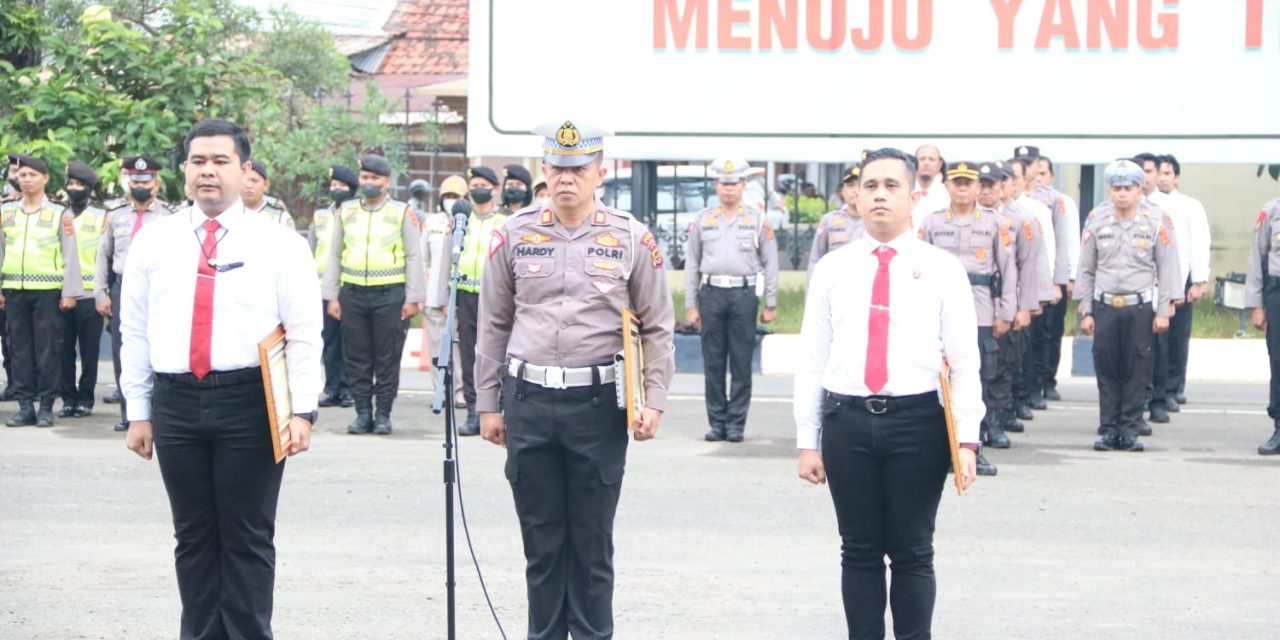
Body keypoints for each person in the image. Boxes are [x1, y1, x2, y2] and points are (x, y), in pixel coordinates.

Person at [120, 118, 321, 639]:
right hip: (176, 400)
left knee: (248, 537)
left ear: (244, 169)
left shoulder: (280, 243)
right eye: (198, 161)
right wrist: (138, 411)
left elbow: (303, 332)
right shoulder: (154, 242)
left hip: (251, 402)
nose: (208, 171)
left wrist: (303, 411)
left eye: (220, 161)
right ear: (184, 170)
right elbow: (134, 331)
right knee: (192, 537)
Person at [475, 119, 675, 640]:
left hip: (597, 404)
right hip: (529, 399)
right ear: (545, 170)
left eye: (578, 169)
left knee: (590, 545)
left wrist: (653, 399)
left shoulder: (631, 236)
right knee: (542, 545)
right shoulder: (513, 233)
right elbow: (493, 322)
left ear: (599, 174)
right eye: (558, 168)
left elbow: (657, 323)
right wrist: (487, 403)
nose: (567, 179)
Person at [795, 148, 980, 639]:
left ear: (914, 196)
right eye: (869, 185)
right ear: (855, 195)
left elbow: (964, 361)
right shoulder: (833, 268)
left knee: (913, 549)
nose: (878, 195)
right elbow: (813, 357)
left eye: (891, 186)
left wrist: (966, 440)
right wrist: (807, 439)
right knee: (857, 549)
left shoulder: (942, 268)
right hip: (846, 421)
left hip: (919, 422)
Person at [919, 161, 1018, 477]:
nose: (962, 187)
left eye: (968, 182)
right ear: (946, 186)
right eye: (956, 182)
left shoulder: (995, 223)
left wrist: (1006, 311)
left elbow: (1008, 269)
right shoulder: (932, 223)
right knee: (936, 380)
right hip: (936, 312)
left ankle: (976, 447)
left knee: (979, 378)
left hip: (981, 309)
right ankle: (941, 449)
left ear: (978, 188)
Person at [1075, 160, 1181, 452]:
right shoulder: (1097, 218)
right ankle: (1109, 429)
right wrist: (1086, 309)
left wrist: (1163, 311)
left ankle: (1130, 430)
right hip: (1106, 304)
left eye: (1128, 188)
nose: (1121, 194)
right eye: (1116, 188)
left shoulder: (1157, 219)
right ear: (1109, 190)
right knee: (1107, 369)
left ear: (1139, 190)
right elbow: (1086, 267)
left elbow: (1167, 266)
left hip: (1140, 307)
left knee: (1137, 370)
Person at [322, 155, 425, 435]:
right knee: (356, 357)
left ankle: (383, 415)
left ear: (386, 182)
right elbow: (334, 254)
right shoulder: (346, 211)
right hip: (352, 293)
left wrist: (414, 297)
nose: (368, 183)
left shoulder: (401, 212)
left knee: (387, 357)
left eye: (374, 179)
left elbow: (415, 256)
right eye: (364, 178)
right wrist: (331, 295)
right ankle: (362, 413)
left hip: (390, 294)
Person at [684, 157, 779, 442]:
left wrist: (770, 302)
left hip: (743, 294)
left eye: (734, 183)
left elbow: (770, 261)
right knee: (713, 362)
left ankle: (736, 424)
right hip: (711, 293)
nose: (728, 189)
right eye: (724, 183)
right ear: (716, 185)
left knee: (740, 362)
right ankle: (717, 422)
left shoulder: (757, 219)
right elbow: (691, 263)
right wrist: (691, 305)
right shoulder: (702, 219)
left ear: (743, 185)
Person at [0, 155, 83, 428]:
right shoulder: (7, 212)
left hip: (48, 291)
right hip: (14, 290)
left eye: (32, 174)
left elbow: (70, 254)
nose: (26, 179)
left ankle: (46, 406)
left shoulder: (60, 213)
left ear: (45, 178)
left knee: (48, 349)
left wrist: (70, 292)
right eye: (22, 174)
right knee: (18, 349)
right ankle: (25, 407)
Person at [96, 155, 174, 431]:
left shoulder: (168, 215)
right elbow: (102, 256)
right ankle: (129, 413)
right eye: (135, 180)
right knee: (124, 348)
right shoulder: (115, 214)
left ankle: (155, 412)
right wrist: (101, 293)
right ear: (127, 181)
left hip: (158, 288)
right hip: (122, 286)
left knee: (157, 346)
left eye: (146, 180)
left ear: (156, 182)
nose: (141, 184)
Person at [982, 161, 1044, 443]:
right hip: (978, 305)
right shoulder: (967, 219)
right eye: (980, 185)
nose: (985, 191)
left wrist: (1025, 307)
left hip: (1007, 303)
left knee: (1004, 366)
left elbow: (1028, 266)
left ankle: (996, 421)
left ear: (1005, 186)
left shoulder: (1022, 220)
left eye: (992, 185)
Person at [452, 165, 509, 436]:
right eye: (474, 184)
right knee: (468, 354)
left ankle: (495, 407)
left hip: (496, 298)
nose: (478, 189)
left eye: (484, 184)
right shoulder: (462, 219)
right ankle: (473, 410)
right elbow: (447, 260)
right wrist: (445, 297)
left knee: (495, 353)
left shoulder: (506, 221)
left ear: (495, 189)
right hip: (465, 295)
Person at [1155, 154, 1210, 407]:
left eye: (1168, 173)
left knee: (1178, 336)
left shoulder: (1190, 205)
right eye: (1159, 173)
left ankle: (1175, 387)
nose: (1162, 178)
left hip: (1183, 277)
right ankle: (1157, 388)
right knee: (1157, 337)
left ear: (1176, 177)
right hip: (1154, 280)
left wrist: (1199, 280)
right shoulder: (1146, 203)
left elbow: (1199, 243)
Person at [58, 160, 107, 419]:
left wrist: (103, 291)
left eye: (79, 184)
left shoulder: (101, 216)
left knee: (89, 352)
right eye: (70, 184)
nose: (73, 188)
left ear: (89, 188)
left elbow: (105, 256)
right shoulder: (59, 214)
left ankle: (85, 398)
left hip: (90, 295)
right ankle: (68, 398)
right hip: (64, 293)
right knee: (63, 349)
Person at [309, 165, 358, 409]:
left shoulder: (358, 214)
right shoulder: (319, 216)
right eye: (334, 185)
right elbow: (310, 250)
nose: (336, 189)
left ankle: (348, 389)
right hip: (322, 289)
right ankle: (331, 388)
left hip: (349, 286)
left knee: (349, 341)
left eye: (342, 185)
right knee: (328, 341)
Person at [420, 175, 465, 398]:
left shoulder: (470, 223)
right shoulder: (432, 223)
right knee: (437, 348)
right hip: (434, 298)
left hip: (461, 298)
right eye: (447, 196)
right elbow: (422, 260)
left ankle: (459, 391)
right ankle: (440, 391)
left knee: (459, 349)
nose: (451, 200)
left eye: (456, 196)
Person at [1247, 195, 1280, 455]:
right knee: (1279, 361)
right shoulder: (1271, 210)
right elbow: (1257, 260)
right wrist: (1257, 305)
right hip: (1277, 291)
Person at [808, 165, 864, 279]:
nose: (855, 190)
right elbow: (815, 259)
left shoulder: (876, 222)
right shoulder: (829, 221)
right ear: (842, 192)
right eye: (850, 185)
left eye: (860, 185)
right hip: (834, 287)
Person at [242, 159, 293, 230]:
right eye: (244, 180)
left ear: (266, 185)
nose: (248, 185)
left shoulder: (280, 217)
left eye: (254, 181)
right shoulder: (227, 215)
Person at [911, 144, 950, 228]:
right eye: (922, 159)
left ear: (939, 165)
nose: (926, 163)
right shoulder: (904, 191)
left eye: (931, 159)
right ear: (914, 163)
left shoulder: (948, 194)